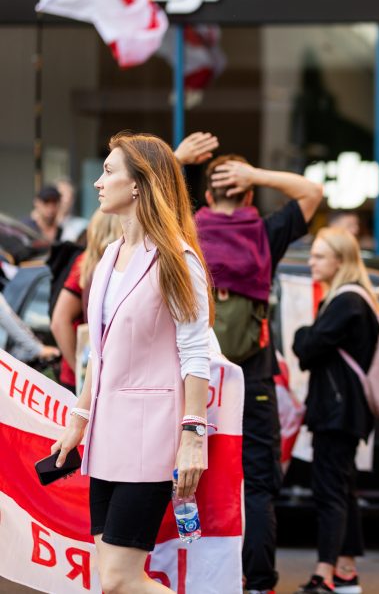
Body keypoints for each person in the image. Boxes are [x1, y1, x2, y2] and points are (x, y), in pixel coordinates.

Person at [50, 132, 213, 594]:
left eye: (108, 171)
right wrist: (78, 420)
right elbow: (96, 356)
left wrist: (192, 437)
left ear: (139, 184)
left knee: (122, 581)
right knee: (111, 582)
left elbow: (195, 353)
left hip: (151, 438)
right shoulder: (106, 259)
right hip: (106, 437)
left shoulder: (178, 259)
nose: (98, 182)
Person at [191, 150, 322, 594]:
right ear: (248, 193)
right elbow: (312, 191)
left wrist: (174, 159)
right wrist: (258, 174)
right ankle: (259, 583)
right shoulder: (264, 232)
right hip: (252, 379)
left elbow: (143, 198)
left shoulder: (187, 231)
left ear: (207, 194)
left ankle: (196, 577)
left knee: (189, 480)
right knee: (259, 486)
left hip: (196, 380)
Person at [292, 228, 379, 594]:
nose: (311, 262)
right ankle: (345, 570)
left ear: (341, 261)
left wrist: (301, 333)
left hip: (337, 411)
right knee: (343, 489)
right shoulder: (354, 299)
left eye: (319, 256)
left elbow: (307, 347)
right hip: (344, 410)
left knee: (329, 489)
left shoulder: (345, 301)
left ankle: (324, 574)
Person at [50, 210, 122, 391]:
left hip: (93, 373)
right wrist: (81, 371)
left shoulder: (88, 263)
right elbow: (59, 321)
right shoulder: (87, 264)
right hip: (84, 376)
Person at [55, 178, 89, 242]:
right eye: (61, 195)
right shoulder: (41, 226)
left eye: (70, 195)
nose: (66, 200)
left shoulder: (82, 226)